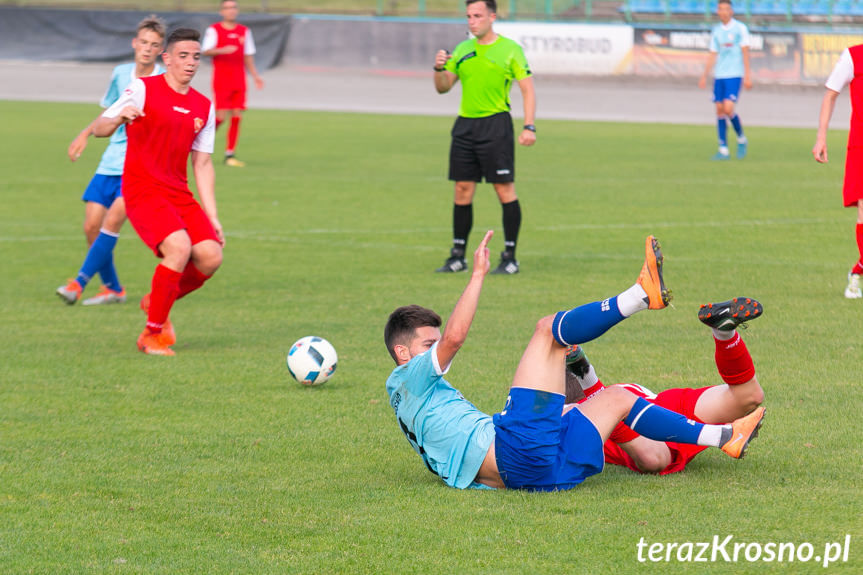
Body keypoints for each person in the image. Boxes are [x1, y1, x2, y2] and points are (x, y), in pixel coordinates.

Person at [384, 234, 765, 491]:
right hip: (521, 454)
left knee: (617, 397)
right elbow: (455, 338)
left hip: (536, 475)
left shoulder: (412, 401)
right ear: (403, 354)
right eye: (426, 344)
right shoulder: (407, 378)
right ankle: (639, 295)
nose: (436, 350)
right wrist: (479, 274)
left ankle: (725, 437)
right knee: (548, 330)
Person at [92, 28, 223, 356]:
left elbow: (203, 164)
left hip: (178, 191)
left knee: (210, 256)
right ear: (167, 58)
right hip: (142, 189)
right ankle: (151, 334)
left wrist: (213, 216)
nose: (191, 63)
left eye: (196, 57)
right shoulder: (142, 88)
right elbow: (99, 128)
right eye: (183, 56)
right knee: (178, 248)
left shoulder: (203, 107)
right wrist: (121, 116)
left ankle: (156, 302)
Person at [565, 297, 765, 475]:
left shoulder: (577, 418)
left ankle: (722, 436)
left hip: (640, 428)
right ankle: (724, 333)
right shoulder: (618, 391)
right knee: (749, 396)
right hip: (668, 406)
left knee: (653, 459)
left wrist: (587, 379)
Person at [57, 16, 166, 306]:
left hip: (139, 167)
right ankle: (113, 289)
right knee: (91, 226)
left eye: (154, 45)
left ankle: (77, 283)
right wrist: (85, 133)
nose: (147, 48)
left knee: (112, 222)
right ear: (134, 43)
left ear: (160, 50)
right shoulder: (120, 74)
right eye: (143, 42)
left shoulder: (164, 79)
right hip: (110, 162)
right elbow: (109, 112)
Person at [433, 0, 536, 275]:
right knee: (462, 190)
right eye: (468, 16)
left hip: (496, 125)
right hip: (465, 126)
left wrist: (529, 126)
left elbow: (527, 89)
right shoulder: (463, 49)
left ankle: (510, 257)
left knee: (503, 190)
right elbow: (443, 88)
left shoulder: (510, 50)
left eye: (477, 16)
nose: (472, 21)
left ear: (492, 17)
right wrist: (438, 69)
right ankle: (457, 256)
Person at [812, 44, 863, 299]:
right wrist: (821, 138)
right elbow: (831, 94)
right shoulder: (853, 56)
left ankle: (857, 270)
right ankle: (855, 279)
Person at [202, 0, 264, 167]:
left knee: (237, 116)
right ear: (222, 11)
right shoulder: (214, 30)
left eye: (234, 7)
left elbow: (248, 56)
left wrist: (255, 76)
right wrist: (222, 50)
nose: (231, 11)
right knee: (221, 117)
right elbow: (205, 50)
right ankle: (200, 143)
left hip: (239, 79)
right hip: (222, 79)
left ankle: (230, 154)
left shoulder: (244, 31)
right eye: (228, 8)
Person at [698, 0, 751, 161]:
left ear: (731, 11)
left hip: (735, 74)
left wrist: (748, 75)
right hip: (719, 75)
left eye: (726, 9)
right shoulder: (716, 31)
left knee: (728, 109)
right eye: (720, 9)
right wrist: (704, 75)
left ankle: (741, 138)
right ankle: (723, 149)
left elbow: (745, 52)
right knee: (719, 110)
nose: (723, 12)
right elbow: (713, 54)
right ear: (718, 12)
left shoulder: (740, 28)